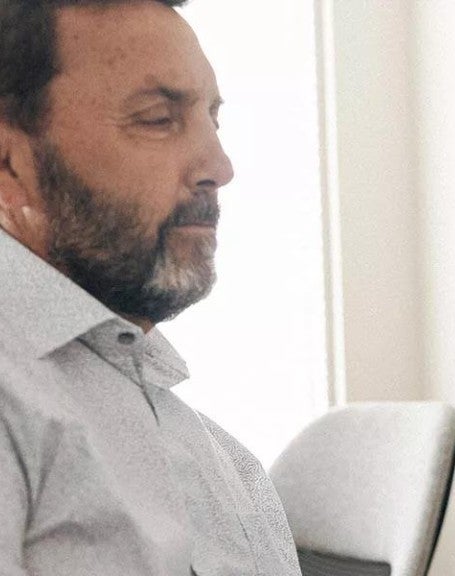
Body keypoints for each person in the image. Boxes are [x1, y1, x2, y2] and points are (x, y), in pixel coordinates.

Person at [0, 1, 300, 574]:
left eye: (213, 119)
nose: (219, 164)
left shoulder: (219, 458)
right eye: (158, 119)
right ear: (10, 162)